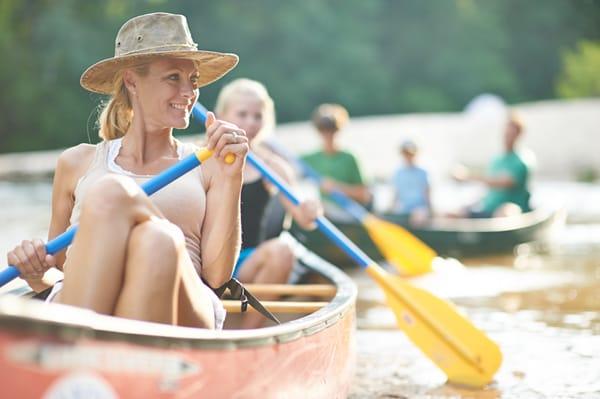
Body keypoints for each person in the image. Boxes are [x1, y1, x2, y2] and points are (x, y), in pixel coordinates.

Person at [5, 13, 248, 330]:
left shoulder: (211, 164)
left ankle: (74, 351)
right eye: (174, 77)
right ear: (132, 81)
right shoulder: (76, 162)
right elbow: (60, 270)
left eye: (194, 80)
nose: (189, 91)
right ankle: (111, 362)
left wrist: (233, 176)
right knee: (155, 242)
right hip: (101, 306)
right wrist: (37, 272)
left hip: (185, 307)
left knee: (116, 196)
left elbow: (217, 276)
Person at [215, 78, 321, 329]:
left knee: (283, 250)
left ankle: (248, 334)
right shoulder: (199, 157)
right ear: (221, 115)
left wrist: (311, 210)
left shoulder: (274, 167)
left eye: (258, 116)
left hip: (247, 262)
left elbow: (305, 220)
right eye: (242, 114)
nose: (251, 123)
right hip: (205, 259)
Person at [453, 114, 531, 218]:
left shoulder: (522, 159)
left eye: (511, 134)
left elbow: (504, 182)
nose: (507, 137)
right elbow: (489, 187)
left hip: (511, 208)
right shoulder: (496, 160)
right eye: (506, 134)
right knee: (455, 213)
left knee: (506, 212)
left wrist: (467, 176)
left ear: (518, 135)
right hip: (489, 207)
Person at [302, 104, 371, 205]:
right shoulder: (310, 159)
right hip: (326, 210)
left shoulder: (350, 158)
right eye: (323, 128)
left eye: (332, 128)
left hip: (349, 213)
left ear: (338, 129)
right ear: (318, 130)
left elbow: (365, 195)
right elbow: (287, 161)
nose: (328, 133)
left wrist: (337, 188)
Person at [391, 140, 432, 225]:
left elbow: (427, 193)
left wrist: (430, 210)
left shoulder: (422, 172)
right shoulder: (398, 173)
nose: (408, 156)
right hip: (404, 209)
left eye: (410, 154)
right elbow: (396, 194)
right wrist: (391, 209)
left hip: (419, 209)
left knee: (418, 217)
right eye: (406, 154)